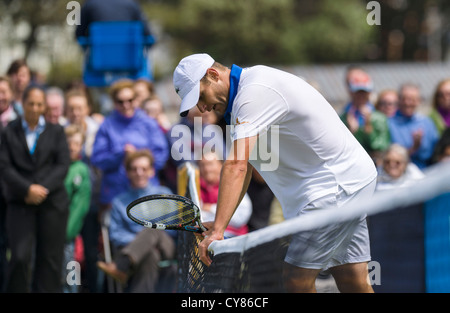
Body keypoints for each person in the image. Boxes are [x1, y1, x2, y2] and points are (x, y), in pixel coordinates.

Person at [173, 53, 378, 293]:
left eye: (199, 96)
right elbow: (246, 165)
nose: (202, 107)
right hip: (346, 183)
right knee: (353, 281)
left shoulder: (252, 93)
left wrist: (218, 231)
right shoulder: (242, 100)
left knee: (294, 280)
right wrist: (220, 224)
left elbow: (236, 165)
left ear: (213, 75)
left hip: (334, 189)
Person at [0, 85, 70, 292]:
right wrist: (27, 189)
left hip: (51, 204)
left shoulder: (56, 131)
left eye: (39, 104)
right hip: (20, 202)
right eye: (31, 103)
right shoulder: (8, 131)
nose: (34, 107)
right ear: (23, 104)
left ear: (44, 107)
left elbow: (62, 164)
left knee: (49, 259)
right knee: (20, 257)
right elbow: (4, 165)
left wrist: (41, 189)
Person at [97, 149, 176, 293]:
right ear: (127, 173)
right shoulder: (119, 202)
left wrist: (147, 238)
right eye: (134, 169)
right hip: (135, 250)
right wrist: (141, 243)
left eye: (144, 169)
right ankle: (126, 263)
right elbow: (116, 234)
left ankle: (121, 265)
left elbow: (175, 227)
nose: (139, 173)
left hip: (166, 244)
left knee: (152, 230)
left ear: (152, 171)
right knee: (150, 255)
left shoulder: (165, 194)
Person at [91, 79, 169, 211]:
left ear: (137, 100)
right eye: (120, 102)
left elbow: (161, 156)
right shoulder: (107, 126)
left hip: (146, 193)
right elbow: (98, 159)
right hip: (116, 194)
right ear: (114, 103)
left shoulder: (149, 123)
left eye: (130, 100)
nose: (126, 105)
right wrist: (120, 154)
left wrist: (139, 158)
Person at [65, 89, 102, 293]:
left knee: (90, 251)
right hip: (68, 205)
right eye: (71, 108)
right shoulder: (61, 131)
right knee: (69, 251)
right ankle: (73, 288)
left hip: (92, 203)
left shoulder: (98, 132)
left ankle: (92, 289)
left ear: (87, 109)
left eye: (79, 108)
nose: (75, 112)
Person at [62, 125, 92, 293]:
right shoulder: (58, 167)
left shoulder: (81, 170)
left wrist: (67, 232)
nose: (72, 147)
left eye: (77, 143)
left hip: (68, 235)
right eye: (69, 143)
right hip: (52, 232)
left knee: (70, 275)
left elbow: (79, 207)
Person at [340, 68, 391, 165]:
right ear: (351, 92)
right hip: (349, 163)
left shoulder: (379, 118)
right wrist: (351, 132)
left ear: (369, 92)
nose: (360, 95)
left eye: (364, 92)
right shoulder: (344, 116)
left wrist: (368, 127)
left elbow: (381, 146)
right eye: (357, 91)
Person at [198, 151, 252, 238]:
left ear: (221, 165)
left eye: (210, 164)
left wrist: (211, 209)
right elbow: (199, 219)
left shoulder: (232, 185)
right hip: (206, 236)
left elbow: (240, 217)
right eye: (202, 165)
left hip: (233, 237)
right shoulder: (196, 187)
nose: (207, 169)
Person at [388, 83, 439, 169]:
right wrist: (414, 148)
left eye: (412, 99)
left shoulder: (427, 123)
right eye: (404, 99)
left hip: (425, 172)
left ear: (419, 101)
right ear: (398, 100)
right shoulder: (389, 123)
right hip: (396, 174)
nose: (408, 103)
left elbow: (436, 152)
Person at [75, 0, 152, 38]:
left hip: (98, 63)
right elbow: (147, 35)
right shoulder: (132, 5)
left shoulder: (90, 4)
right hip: (130, 63)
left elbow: (79, 35)